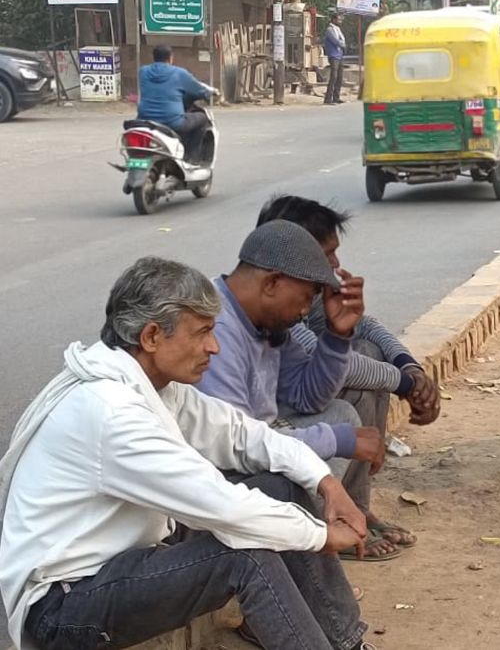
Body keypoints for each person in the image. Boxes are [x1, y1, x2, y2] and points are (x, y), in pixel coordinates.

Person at [0, 257, 373, 650]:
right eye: (202, 333)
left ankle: (347, 642)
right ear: (151, 337)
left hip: (121, 560)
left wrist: (325, 481)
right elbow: (223, 506)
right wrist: (318, 535)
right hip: (65, 605)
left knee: (281, 488)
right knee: (245, 557)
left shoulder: (152, 384)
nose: (214, 346)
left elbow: (242, 434)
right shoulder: (110, 411)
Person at [196, 220, 403, 562]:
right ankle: (303, 551)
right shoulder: (218, 330)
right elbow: (234, 444)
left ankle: (316, 535)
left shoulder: (264, 323)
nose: (306, 311)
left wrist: (338, 337)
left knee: (341, 415)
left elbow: (309, 398)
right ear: (273, 282)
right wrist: (338, 441)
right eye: (305, 298)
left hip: (253, 442)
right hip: (220, 473)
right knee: (321, 448)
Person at [136, 45, 213, 158]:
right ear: (170, 58)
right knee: (203, 118)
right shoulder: (180, 73)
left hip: (145, 119)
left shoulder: (143, 71)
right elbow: (199, 90)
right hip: (172, 121)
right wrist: (209, 94)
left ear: (154, 57)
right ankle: (191, 157)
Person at [323, 14, 347, 105]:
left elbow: (342, 40)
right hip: (333, 55)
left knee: (339, 77)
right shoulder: (330, 29)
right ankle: (328, 99)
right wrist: (343, 45)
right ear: (333, 19)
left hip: (340, 55)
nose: (340, 21)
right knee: (333, 77)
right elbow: (336, 41)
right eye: (339, 19)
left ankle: (336, 97)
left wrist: (343, 45)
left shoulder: (337, 29)